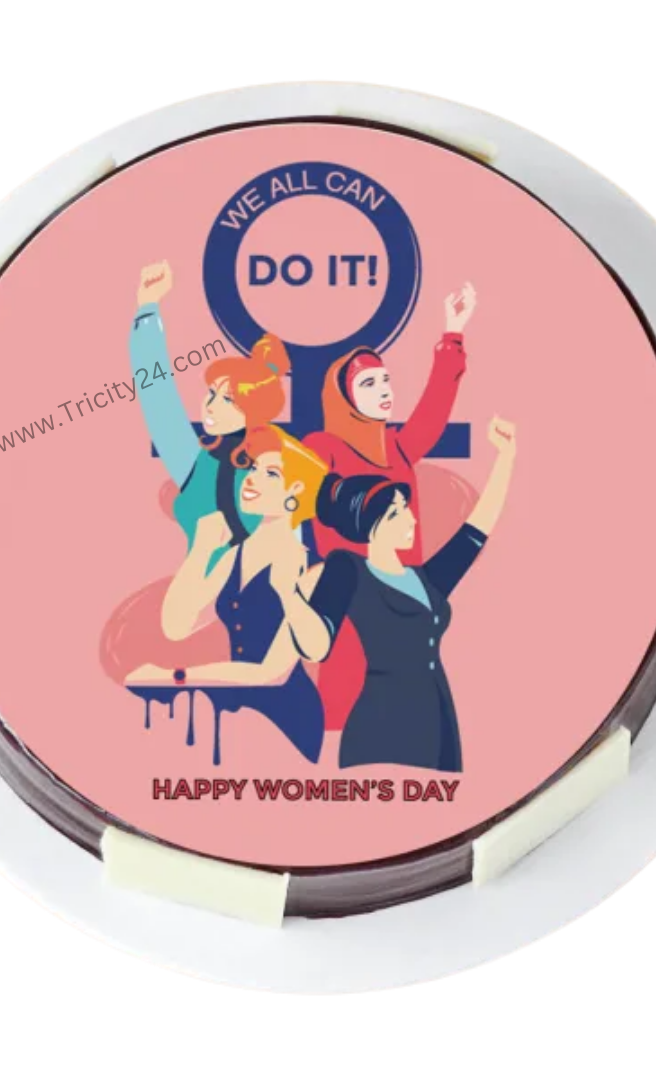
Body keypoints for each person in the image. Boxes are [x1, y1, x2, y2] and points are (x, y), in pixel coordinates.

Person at [275, 417, 517, 772]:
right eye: (398, 512)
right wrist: (288, 594)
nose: (411, 519)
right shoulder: (347, 568)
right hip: (381, 726)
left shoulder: (427, 578)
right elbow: (316, 646)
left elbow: (476, 530)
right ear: (373, 526)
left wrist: (506, 457)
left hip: (437, 722)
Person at [302, 283, 477, 733]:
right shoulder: (322, 448)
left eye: (385, 381)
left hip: (404, 600)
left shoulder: (398, 447)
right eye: (367, 383)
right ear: (343, 396)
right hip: (350, 601)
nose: (383, 390)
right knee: (345, 698)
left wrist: (453, 332)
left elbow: (434, 410)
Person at [125, 427, 328, 763]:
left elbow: (272, 672)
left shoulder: (311, 569)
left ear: (295, 491)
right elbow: (176, 626)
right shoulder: (236, 554)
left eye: (271, 474)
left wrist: (173, 676)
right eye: (253, 468)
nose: (252, 479)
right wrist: (201, 550)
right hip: (236, 709)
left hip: (286, 718)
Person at [129, 260, 291, 562]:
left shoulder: (270, 469)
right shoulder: (199, 461)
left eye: (228, 400)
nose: (211, 406)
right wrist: (148, 308)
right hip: (198, 586)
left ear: (252, 412)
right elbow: (157, 397)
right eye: (212, 393)